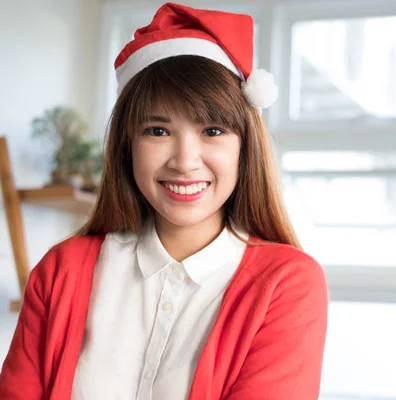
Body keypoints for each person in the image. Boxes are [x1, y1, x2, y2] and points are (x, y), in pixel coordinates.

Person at [0, 3, 329, 399]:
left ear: (246, 148)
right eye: (157, 130)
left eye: (212, 129)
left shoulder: (286, 284)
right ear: (127, 145)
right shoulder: (60, 271)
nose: (185, 162)